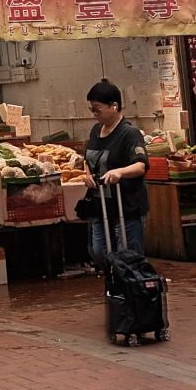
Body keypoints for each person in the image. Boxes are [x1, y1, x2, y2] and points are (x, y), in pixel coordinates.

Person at [81, 81, 150, 261]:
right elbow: (88, 158)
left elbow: (140, 165)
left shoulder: (129, 133)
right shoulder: (96, 131)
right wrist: (87, 174)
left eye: (97, 109)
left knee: (128, 255)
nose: (95, 114)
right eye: (92, 110)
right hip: (101, 205)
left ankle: (130, 279)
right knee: (99, 251)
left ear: (114, 106)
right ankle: (111, 277)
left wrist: (119, 172)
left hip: (125, 206)